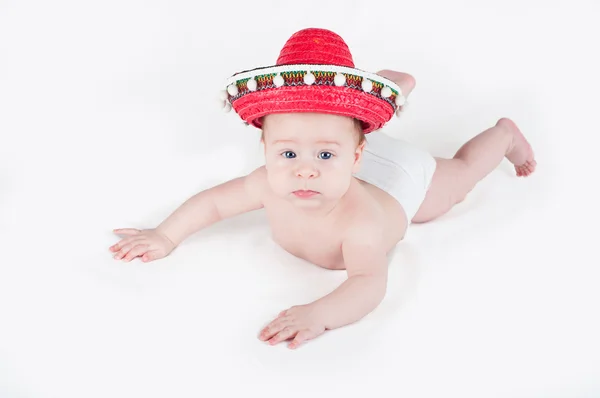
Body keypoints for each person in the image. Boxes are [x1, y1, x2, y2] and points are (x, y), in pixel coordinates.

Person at [109, 28, 536, 349]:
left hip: (399, 180)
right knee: (323, 135)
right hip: (352, 143)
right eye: (288, 155)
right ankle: (380, 89)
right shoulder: (270, 183)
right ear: (266, 148)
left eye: (323, 158)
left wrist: (321, 314)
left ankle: (502, 137)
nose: (305, 173)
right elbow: (214, 204)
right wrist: (165, 234)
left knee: (455, 183)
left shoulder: (361, 223)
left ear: (356, 155)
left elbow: (369, 281)